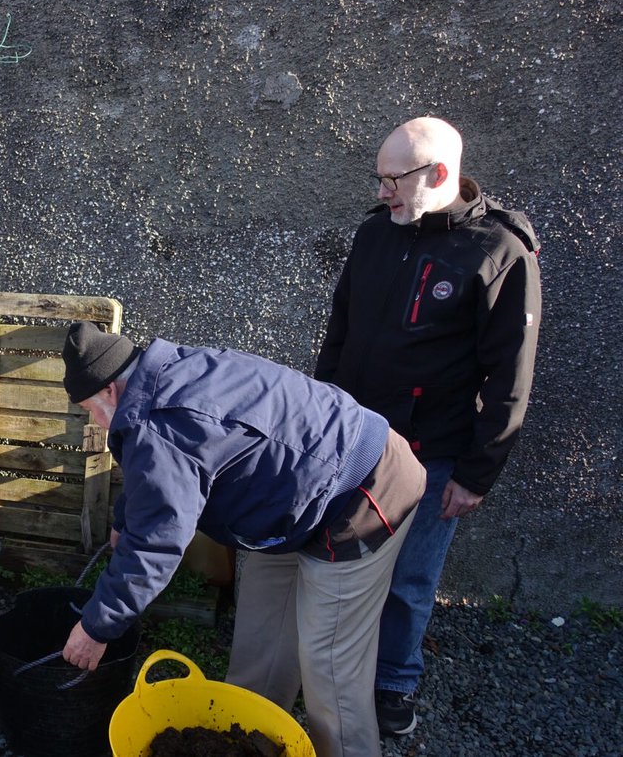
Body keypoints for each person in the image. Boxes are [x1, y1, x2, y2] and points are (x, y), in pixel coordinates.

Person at [59, 321, 426, 757]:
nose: (96, 424)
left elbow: (155, 544)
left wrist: (97, 628)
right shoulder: (162, 374)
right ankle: (252, 740)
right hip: (292, 498)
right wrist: (125, 516)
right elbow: (165, 478)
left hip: (362, 489)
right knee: (260, 643)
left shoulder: (159, 422)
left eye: (90, 410)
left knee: (330, 673)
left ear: (111, 393)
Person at [315, 116, 541, 736]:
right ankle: (337, 670)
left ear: (438, 174)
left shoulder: (498, 252)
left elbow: (509, 379)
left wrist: (477, 474)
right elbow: (341, 332)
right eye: (379, 177)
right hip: (354, 441)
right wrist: (322, 414)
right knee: (339, 561)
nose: (382, 190)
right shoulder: (375, 235)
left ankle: (393, 683)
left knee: (410, 579)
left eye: (394, 179)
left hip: (431, 455)